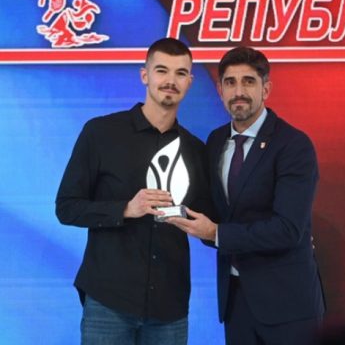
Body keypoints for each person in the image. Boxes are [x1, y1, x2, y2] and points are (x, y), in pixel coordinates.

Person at [55, 38, 212, 345]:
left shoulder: (196, 150)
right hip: (108, 301)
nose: (170, 80)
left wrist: (211, 232)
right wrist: (126, 208)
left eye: (180, 73)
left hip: (169, 307)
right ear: (144, 75)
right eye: (161, 70)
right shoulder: (101, 133)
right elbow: (67, 207)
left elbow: (208, 222)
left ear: (190, 82)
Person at [168, 46, 326, 345]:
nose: (238, 92)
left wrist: (216, 233)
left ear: (266, 89)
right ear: (220, 90)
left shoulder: (293, 145)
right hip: (235, 301)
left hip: (289, 305)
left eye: (248, 82)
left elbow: (288, 229)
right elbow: (218, 213)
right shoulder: (216, 141)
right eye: (230, 82)